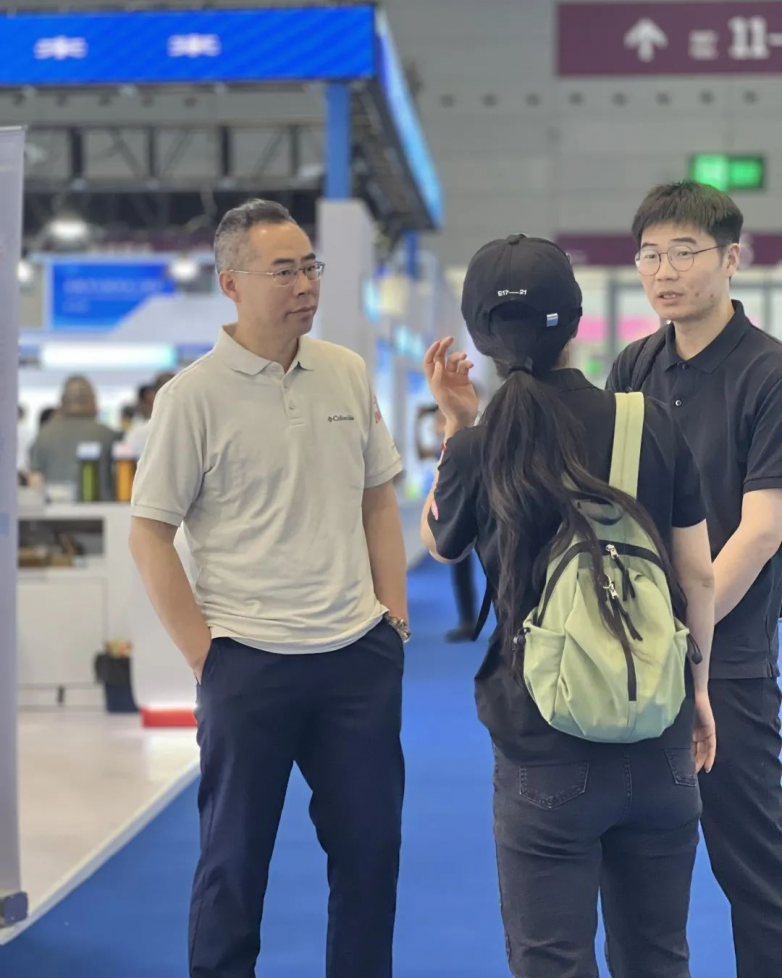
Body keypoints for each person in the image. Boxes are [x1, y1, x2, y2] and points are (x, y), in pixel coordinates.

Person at [420, 234, 716, 978]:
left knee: (551, 960)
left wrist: (457, 426)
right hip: (656, 727)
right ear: (576, 321)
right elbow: (698, 579)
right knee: (659, 957)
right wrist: (699, 694)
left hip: (543, 742)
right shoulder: (650, 422)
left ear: (481, 336)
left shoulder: (481, 446)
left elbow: (439, 544)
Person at [129, 198, 408, 978]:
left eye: (310, 266)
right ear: (231, 284)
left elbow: (377, 499)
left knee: (371, 855)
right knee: (233, 865)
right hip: (248, 663)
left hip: (355, 658)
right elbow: (148, 533)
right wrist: (206, 655)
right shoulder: (192, 397)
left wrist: (393, 619)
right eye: (283, 271)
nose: (305, 285)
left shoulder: (346, 373)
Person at [607, 181, 782, 978]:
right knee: (637, 876)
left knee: (757, 874)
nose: (664, 271)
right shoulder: (633, 366)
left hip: (730, 661)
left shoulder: (767, 373)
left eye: (685, 252)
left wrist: (687, 629)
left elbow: (763, 528)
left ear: (731, 259)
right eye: (650, 255)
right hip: (630, 660)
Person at [415, 402, 480, 641]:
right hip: (457, 513)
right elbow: (421, 454)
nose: (437, 423)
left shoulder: (463, 442)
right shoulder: (445, 445)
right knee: (459, 567)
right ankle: (468, 620)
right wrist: (417, 423)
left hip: (477, 509)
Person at [29, 377, 118, 500]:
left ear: (62, 401)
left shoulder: (44, 433)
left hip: (54, 508)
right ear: (93, 400)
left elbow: (35, 478)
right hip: (101, 509)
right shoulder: (108, 435)